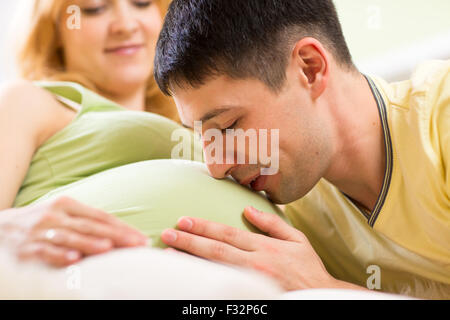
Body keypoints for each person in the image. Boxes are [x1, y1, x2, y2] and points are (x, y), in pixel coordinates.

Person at [154, 0, 450, 298]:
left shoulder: (441, 119)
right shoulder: (285, 219)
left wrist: (326, 290)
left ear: (310, 68)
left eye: (228, 125)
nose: (216, 166)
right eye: (201, 136)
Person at [0, 0, 192, 267]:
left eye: (142, 3)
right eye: (94, 8)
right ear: (54, 31)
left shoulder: (201, 121)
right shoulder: (27, 101)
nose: (125, 26)